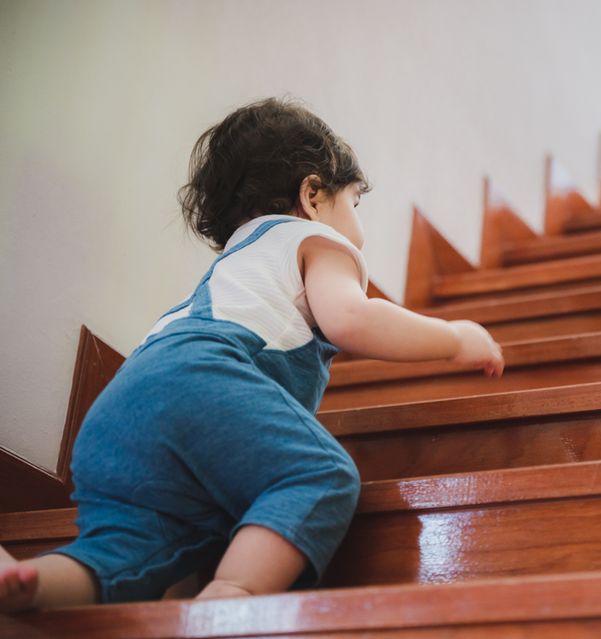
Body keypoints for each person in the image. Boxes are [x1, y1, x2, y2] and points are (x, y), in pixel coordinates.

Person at [0, 97, 504, 612]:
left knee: (124, 555)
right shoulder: (313, 239)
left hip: (119, 408)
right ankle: (231, 595)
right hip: (204, 376)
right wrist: (456, 337)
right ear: (312, 195)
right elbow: (352, 319)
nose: (356, 225)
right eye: (354, 203)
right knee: (317, 474)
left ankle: (24, 580)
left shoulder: (237, 264)